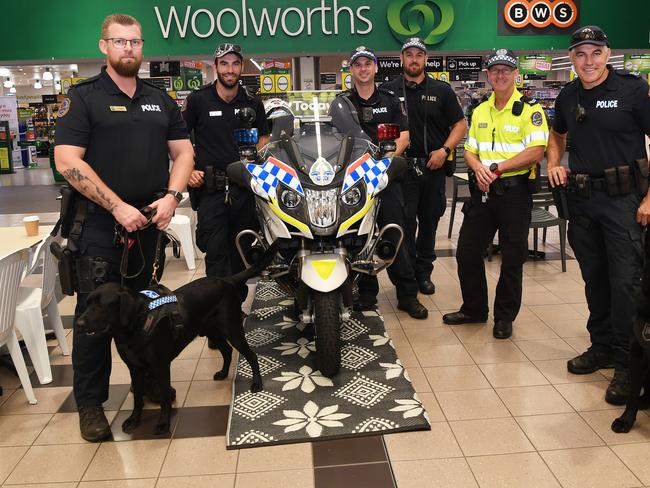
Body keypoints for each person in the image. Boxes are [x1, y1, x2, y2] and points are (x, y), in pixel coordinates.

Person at [54, 13, 194, 441]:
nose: (128, 48)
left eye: (134, 42)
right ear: (104, 47)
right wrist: (116, 207)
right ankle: (91, 404)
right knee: (95, 318)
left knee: (145, 312)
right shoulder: (84, 98)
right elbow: (66, 161)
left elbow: (185, 152)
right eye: (119, 41)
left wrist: (171, 196)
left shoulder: (159, 98)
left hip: (148, 226)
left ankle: (147, 382)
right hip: (99, 226)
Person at [547, 25, 650, 404]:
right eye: (579, 54)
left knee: (625, 283)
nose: (587, 61)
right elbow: (556, 135)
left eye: (595, 52)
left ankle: (627, 364)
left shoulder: (633, 90)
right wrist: (555, 162)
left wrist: (649, 199)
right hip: (583, 200)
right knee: (595, 279)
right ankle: (602, 346)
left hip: (625, 201)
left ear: (608, 54)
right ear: (571, 58)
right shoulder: (568, 94)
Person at [442, 49, 548, 339]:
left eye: (506, 70)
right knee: (467, 252)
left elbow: (536, 151)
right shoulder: (479, 110)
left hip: (514, 194)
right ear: (488, 75)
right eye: (494, 70)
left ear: (516, 74)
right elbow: (471, 150)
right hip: (483, 192)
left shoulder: (531, 110)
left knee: (512, 257)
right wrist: (479, 170)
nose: (500, 75)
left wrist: (498, 168)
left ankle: (504, 317)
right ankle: (474, 310)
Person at [337, 46, 428, 319]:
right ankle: (366, 291)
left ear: (375, 68)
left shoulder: (390, 100)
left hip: (386, 179)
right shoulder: (342, 103)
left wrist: (380, 163)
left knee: (394, 234)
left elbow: (404, 137)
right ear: (351, 70)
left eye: (368, 64)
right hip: (353, 185)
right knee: (358, 237)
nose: (363, 69)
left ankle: (407, 295)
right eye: (358, 65)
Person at [183, 43, 269, 305]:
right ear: (216, 66)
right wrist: (189, 170)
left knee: (241, 251)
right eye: (224, 64)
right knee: (217, 255)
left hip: (244, 191)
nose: (230, 70)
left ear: (241, 67)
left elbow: (264, 136)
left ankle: (236, 306)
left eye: (234, 64)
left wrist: (253, 156)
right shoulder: (198, 100)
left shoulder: (252, 102)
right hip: (211, 190)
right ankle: (217, 315)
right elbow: (180, 139)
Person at [381, 37, 467, 295]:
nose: (414, 59)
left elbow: (460, 125)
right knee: (404, 225)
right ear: (401, 59)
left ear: (426, 59)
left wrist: (445, 150)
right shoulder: (388, 91)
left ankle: (424, 272)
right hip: (401, 169)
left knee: (429, 222)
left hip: (433, 166)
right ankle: (406, 275)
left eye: (419, 55)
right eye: (409, 55)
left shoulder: (442, 90)